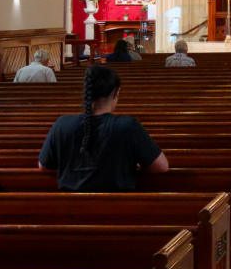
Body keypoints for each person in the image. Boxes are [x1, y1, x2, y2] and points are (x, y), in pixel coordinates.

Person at [38, 65, 168, 192]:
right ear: (116, 93)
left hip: (69, 205)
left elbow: (44, 166)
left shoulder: (62, 124)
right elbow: (161, 166)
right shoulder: (128, 126)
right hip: (119, 204)